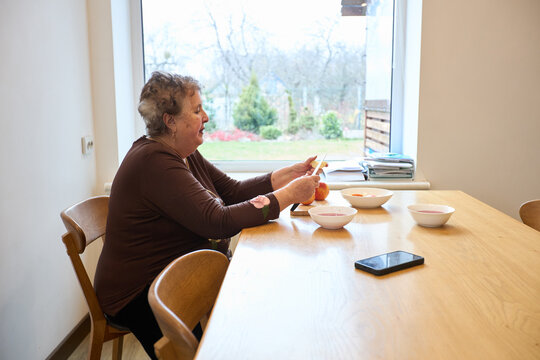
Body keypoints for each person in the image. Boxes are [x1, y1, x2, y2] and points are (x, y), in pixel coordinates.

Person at [94, 71, 321, 359]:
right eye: (197, 110)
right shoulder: (154, 163)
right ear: (170, 121)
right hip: (139, 293)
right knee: (218, 343)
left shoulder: (181, 152)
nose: (207, 117)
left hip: (174, 275)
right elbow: (218, 221)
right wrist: (288, 195)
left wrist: (283, 177)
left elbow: (232, 191)